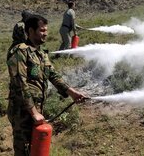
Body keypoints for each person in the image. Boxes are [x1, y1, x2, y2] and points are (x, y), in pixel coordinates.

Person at [6, 14, 87, 156]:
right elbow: (20, 82)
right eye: (42, 30)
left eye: (46, 30)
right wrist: (33, 112)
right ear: (31, 31)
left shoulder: (41, 54)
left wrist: (71, 92)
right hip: (22, 112)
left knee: (36, 149)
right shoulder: (20, 51)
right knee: (24, 150)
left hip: (36, 109)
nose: (46, 34)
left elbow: (53, 75)